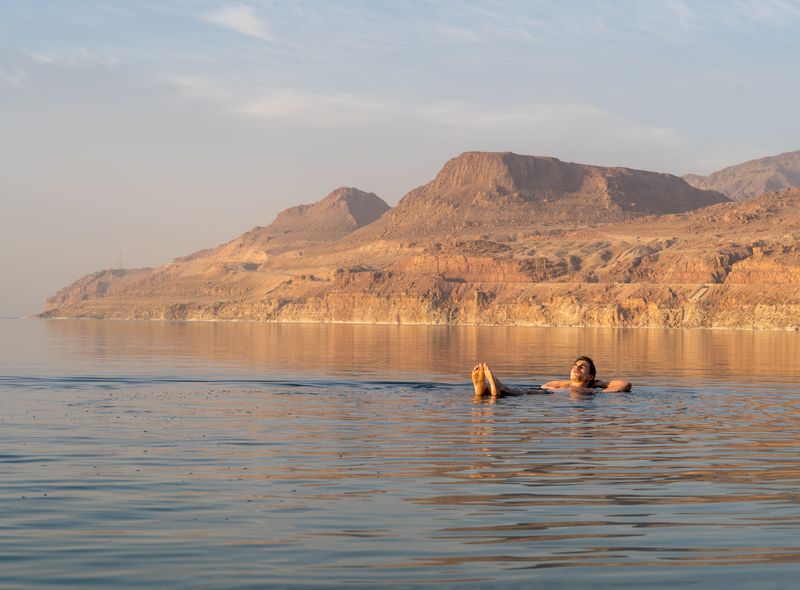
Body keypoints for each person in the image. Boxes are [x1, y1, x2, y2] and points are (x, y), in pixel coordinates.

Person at [471, 356, 631, 401]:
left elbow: (625, 384)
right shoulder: (561, 385)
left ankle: (495, 388)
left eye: (582, 367)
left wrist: (599, 383)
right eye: (574, 366)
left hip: (548, 398)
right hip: (545, 394)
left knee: (514, 392)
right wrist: (571, 383)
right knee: (524, 391)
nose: (576, 368)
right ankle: (483, 389)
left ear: (590, 376)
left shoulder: (591, 392)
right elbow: (545, 385)